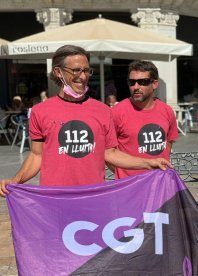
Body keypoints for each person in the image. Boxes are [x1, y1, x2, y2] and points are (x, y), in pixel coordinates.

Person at [0, 45, 171, 195]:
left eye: (86, 70)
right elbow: (37, 155)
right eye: (76, 70)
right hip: (54, 198)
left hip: (94, 197)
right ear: (58, 72)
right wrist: (15, 181)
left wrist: (148, 163)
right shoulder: (40, 111)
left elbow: (110, 153)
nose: (82, 76)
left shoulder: (103, 110)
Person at [111, 60, 179, 178]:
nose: (136, 87)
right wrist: (122, 174)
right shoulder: (116, 112)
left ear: (154, 84)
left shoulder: (167, 111)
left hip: (160, 182)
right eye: (131, 82)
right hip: (130, 186)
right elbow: (108, 152)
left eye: (142, 82)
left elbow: (167, 145)